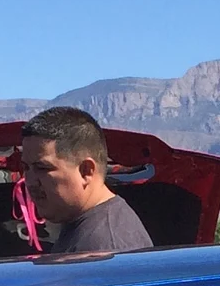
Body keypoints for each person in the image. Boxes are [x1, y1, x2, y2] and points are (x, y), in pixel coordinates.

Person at [20, 107, 153, 255]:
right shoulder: (86, 226)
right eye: (26, 167)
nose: (30, 182)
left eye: (42, 168)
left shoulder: (103, 248)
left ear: (86, 171)